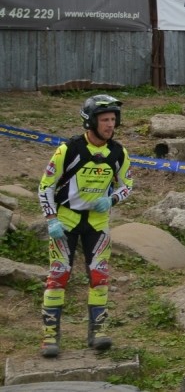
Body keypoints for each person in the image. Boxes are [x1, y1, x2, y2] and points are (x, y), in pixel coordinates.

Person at [38, 95, 133, 358]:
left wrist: (112, 199)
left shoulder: (118, 153)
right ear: (90, 121)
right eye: (105, 120)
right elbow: (45, 186)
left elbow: (128, 185)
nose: (110, 125)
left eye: (113, 119)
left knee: (99, 276)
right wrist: (51, 219)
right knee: (58, 275)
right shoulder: (68, 150)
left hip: (97, 223)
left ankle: (98, 332)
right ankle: (49, 337)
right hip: (65, 221)